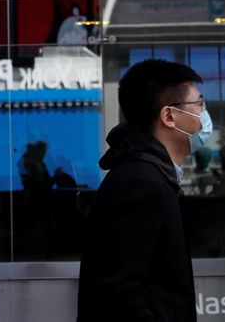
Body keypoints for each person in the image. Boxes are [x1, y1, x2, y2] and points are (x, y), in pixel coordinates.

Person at [77, 59, 212, 322]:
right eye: (200, 103)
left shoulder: (150, 174)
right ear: (169, 116)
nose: (205, 113)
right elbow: (118, 291)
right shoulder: (139, 183)